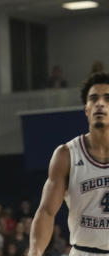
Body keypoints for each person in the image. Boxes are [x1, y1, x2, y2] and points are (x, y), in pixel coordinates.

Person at [28, 72, 109, 256]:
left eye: (107, 98)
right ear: (86, 109)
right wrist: (35, 251)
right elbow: (47, 212)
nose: (100, 103)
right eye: (93, 99)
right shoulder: (67, 155)